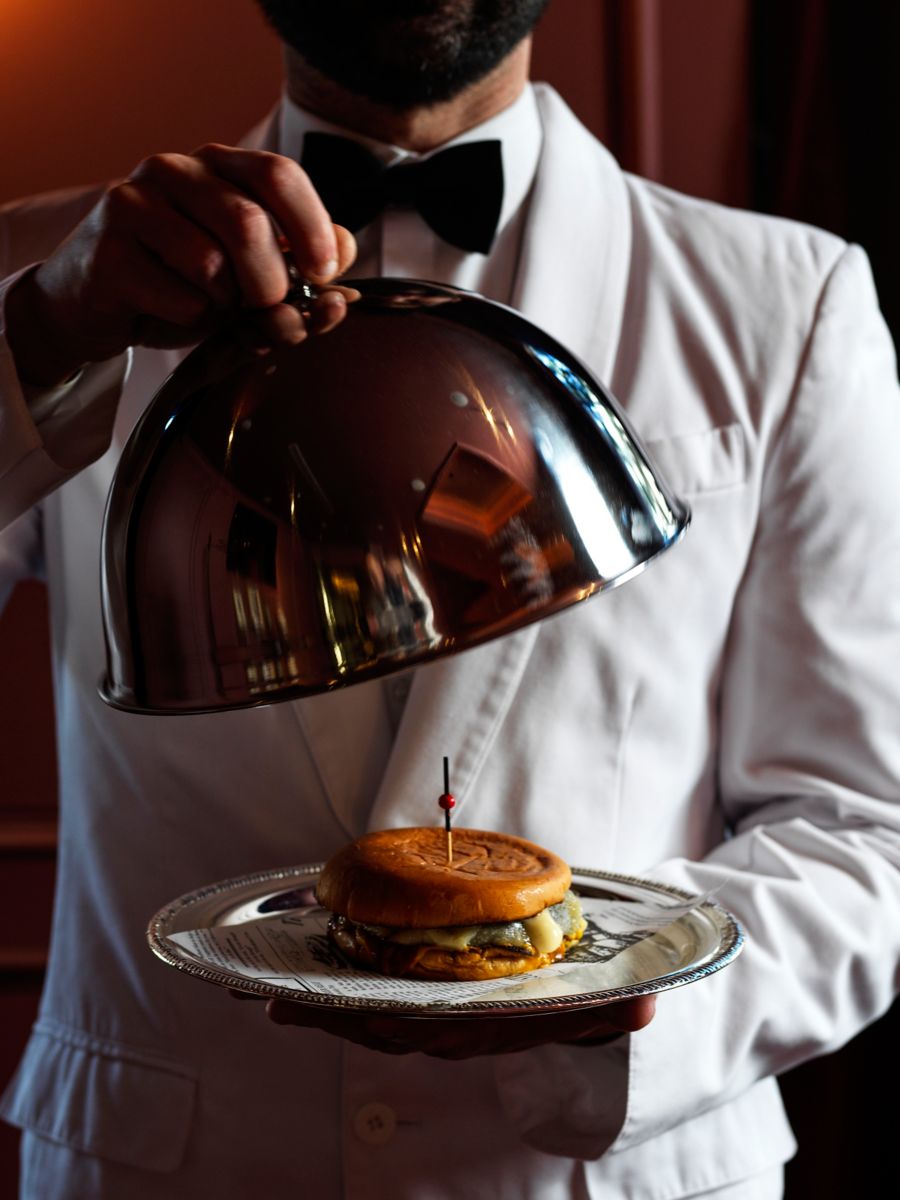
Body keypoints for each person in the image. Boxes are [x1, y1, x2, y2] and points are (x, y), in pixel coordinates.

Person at [1, 2, 899, 1196]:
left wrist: (610, 999)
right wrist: (38, 332)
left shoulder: (790, 300)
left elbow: (866, 829)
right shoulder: (53, 279)